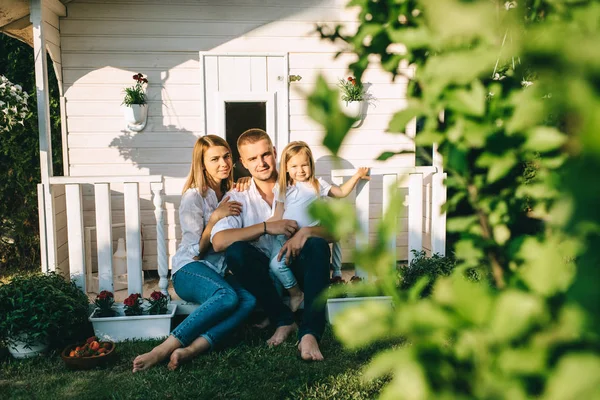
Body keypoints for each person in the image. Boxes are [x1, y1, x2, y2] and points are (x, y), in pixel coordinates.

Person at [133, 135, 256, 372]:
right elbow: (196, 251)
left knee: (249, 299)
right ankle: (162, 349)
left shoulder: (231, 191)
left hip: (218, 271)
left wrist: (246, 180)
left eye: (227, 156)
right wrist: (215, 219)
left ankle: (191, 349)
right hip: (189, 269)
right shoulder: (194, 196)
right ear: (202, 164)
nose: (224, 163)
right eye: (215, 159)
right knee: (227, 296)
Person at [211, 129, 333, 361]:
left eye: (266, 155)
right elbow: (218, 242)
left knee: (317, 245)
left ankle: (310, 332)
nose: (262, 163)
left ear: (275, 152)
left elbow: (335, 231)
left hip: (295, 263)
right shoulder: (239, 195)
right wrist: (267, 227)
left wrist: (305, 232)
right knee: (236, 252)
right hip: (262, 274)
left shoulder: (303, 183)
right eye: (253, 158)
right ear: (243, 163)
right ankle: (283, 319)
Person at [267, 141, 370, 312]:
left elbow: (341, 193)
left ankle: (300, 297)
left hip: (308, 239)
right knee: (275, 266)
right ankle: (294, 294)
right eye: (294, 166)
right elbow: (277, 215)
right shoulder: (283, 188)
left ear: (311, 165)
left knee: (286, 265)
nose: (300, 170)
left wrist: (357, 176)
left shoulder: (317, 184)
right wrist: (259, 228)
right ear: (285, 167)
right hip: (284, 235)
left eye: (304, 165)